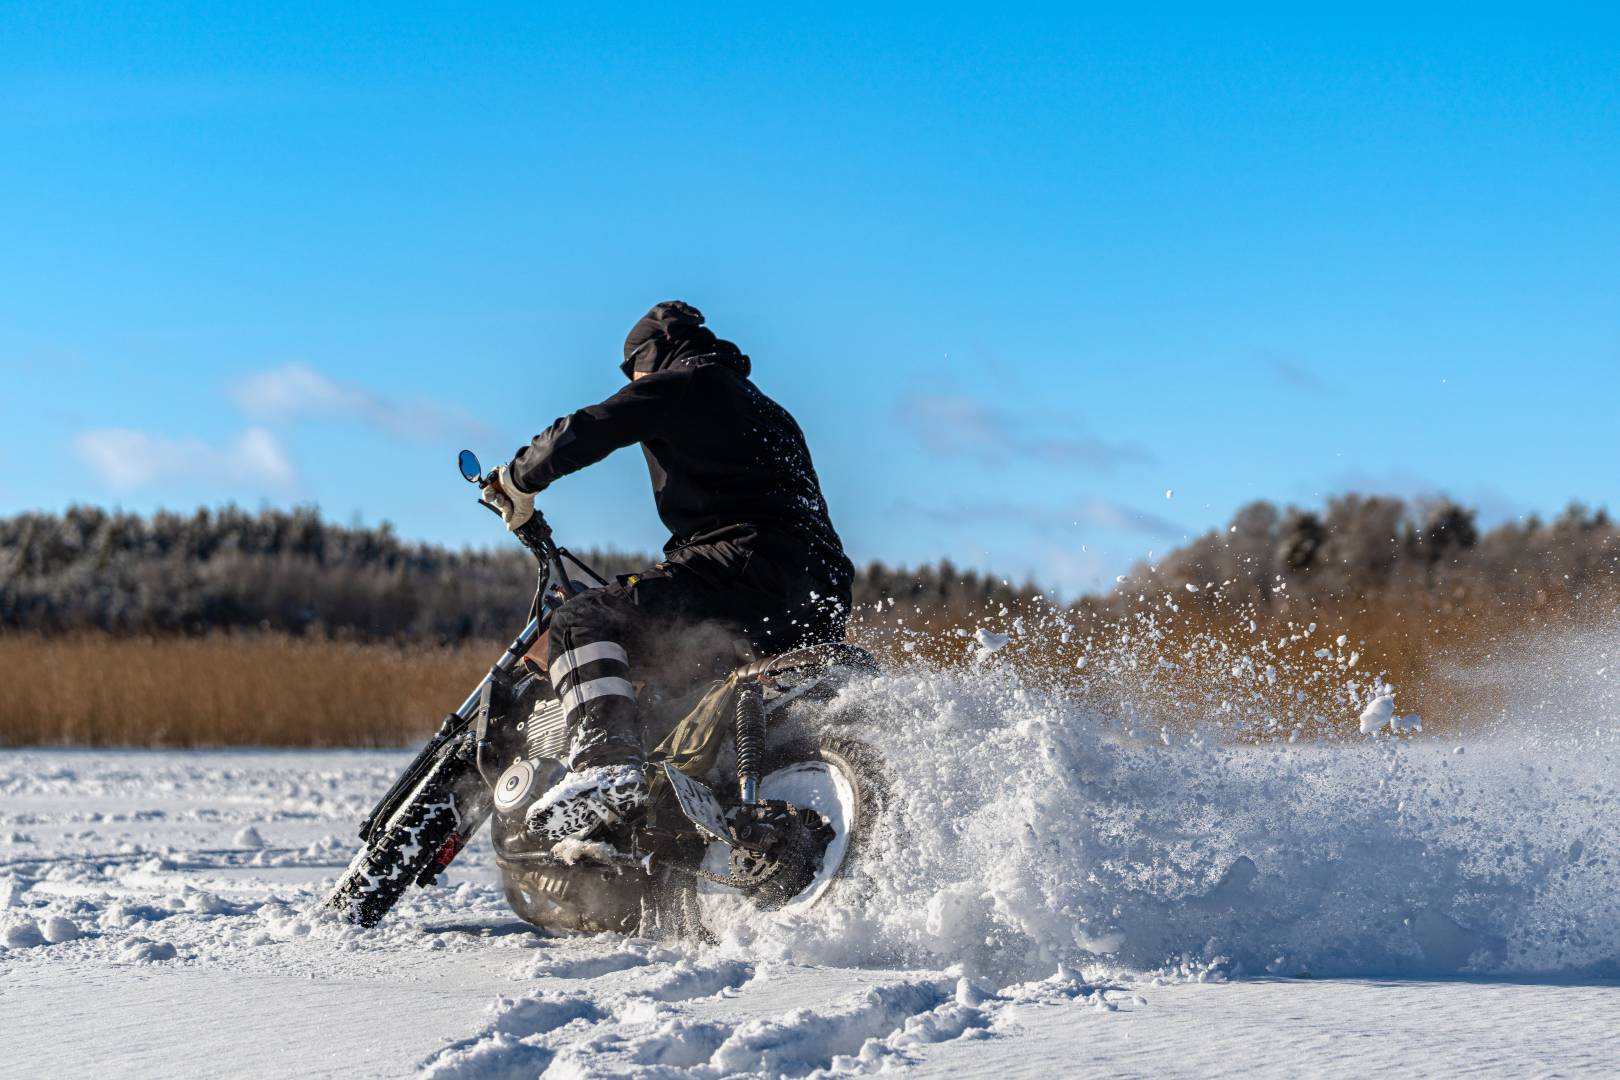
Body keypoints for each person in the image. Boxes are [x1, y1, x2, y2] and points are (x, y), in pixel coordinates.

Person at [480, 301, 854, 841]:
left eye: (632, 372)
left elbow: (590, 427)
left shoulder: (686, 382)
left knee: (582, 621)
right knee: (683, 683)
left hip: (741, 566)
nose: (633, 383)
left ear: (650, 357)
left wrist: (518, 478)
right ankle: (674, 832)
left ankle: (606, 766)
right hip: (818, 592)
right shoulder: (768, 408)